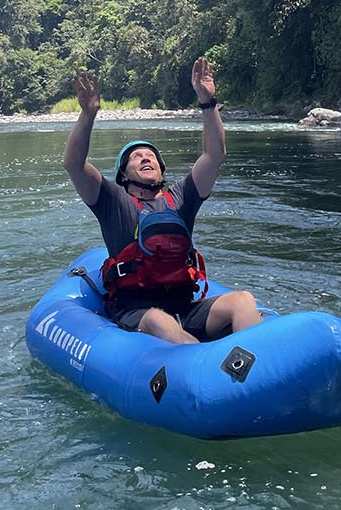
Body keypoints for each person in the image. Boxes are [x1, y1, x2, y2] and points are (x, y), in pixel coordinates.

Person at [63, 57, 263, 344]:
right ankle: (198, 363)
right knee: (159, 319)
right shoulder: (113, 201)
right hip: (137, 310)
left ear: (160, 168)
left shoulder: (181, 198)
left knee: (243, 300)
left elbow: (214, 155)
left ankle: (258, 361)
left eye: (151, 156)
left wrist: (207, 102)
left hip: (185, 306)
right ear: (123, 175)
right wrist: (88, 114)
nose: (146, 158)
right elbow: (74, 164)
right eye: (136, 157)